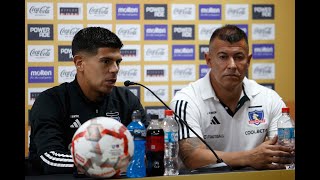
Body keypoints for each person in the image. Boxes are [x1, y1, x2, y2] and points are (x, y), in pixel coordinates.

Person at [169, 24, 294, 170]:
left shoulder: (270, 99)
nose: (232, 65)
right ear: (208, 60)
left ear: (248, 61)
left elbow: (284, 155)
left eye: (239, 57)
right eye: (223, 57)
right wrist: (251, 157)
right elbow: (193, 157)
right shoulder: (186, 101)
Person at [27, 27, 146, 175]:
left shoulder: (127, 100)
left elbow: (146, 151)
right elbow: (50, 159)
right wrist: (105, 162)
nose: (115, 69)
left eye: (118, 62)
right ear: (79, 63)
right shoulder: (51, 101)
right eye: (106, 61)